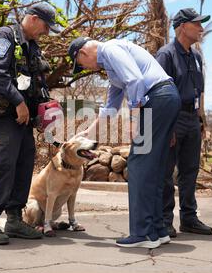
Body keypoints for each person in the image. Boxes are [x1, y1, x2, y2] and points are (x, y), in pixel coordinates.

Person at [68, 37, 181, 248]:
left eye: (81, 65)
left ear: (82, 53)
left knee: (138, 164)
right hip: (166, 98)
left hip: (156, 99)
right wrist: (86, 135)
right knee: (152, 167)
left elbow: (136, 80)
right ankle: (158, 230)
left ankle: (143, 234)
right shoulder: (112, 70)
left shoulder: (110, 49)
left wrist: (135, 118)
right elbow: (110, 109)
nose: (86, 68)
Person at [0, 3, 61, 245]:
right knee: (4, 166)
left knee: (24, 166)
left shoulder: (32, 47)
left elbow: (36, 81)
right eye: (45, 26)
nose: (46, 32)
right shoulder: (6, 36)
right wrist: (18, 102)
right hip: (7, 116)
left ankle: (14, 219)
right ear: (33, 19)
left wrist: (44, 107)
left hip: (25, 120)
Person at [155, 8, 212, 237]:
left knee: (190, 171)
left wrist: (201, 120)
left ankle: (189, 218)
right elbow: (158, 93)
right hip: (173, 118)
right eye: (197, 24)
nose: (201, 28)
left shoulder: (196, 56)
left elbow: (199, 90)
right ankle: (164, 220)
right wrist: (166, 126)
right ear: (182, 27)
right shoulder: (166, 55)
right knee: (167, 172)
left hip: (192, 119)